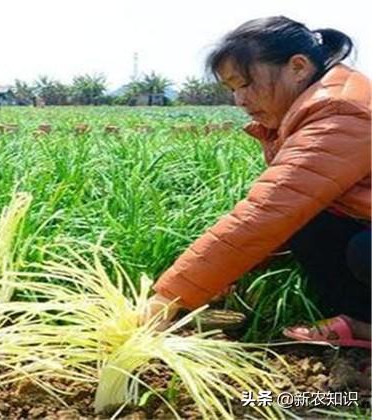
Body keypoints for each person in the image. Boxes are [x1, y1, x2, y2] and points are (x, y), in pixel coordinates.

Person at [145, 16, 371, 348]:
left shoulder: (341, 112)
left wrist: (169, 297)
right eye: (232, 89)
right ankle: (363, 323)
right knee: (312, 224)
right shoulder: (320, 105)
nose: (239, 100)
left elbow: (267, 211)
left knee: (365, 250)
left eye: (245, 84)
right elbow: (284, 214)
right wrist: (221, 276)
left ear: (298, 67)